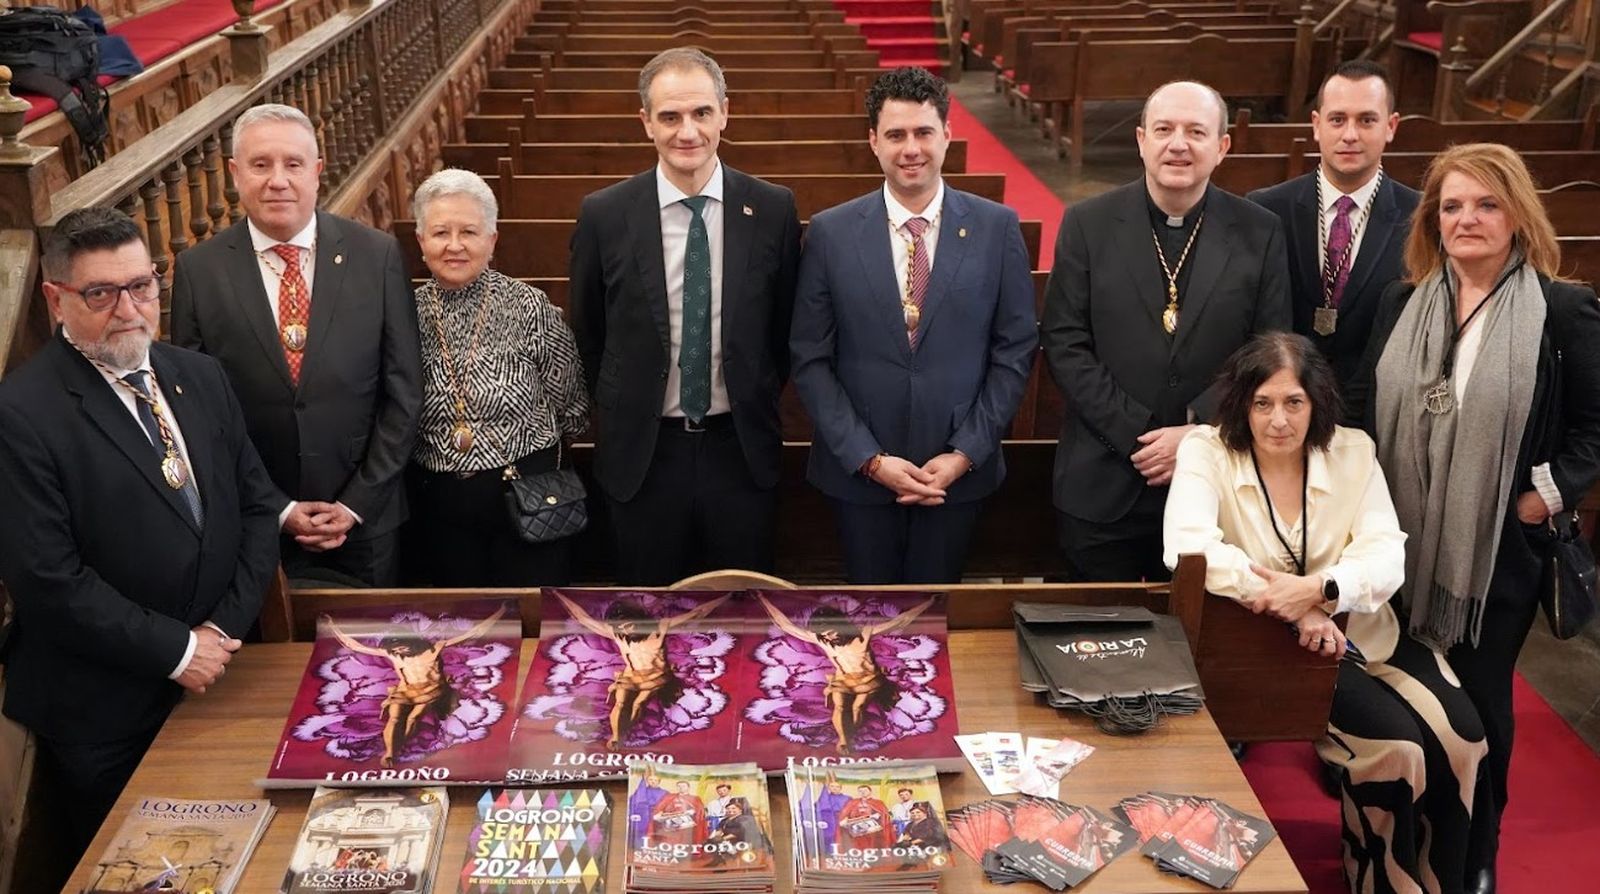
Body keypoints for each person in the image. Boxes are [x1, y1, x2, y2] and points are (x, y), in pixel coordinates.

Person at [1350, 143, 1600, 894]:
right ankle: (1406, 829)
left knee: (1480, 699)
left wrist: (1542, 497)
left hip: (1494, 552)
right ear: (1433, 218)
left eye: (1486, 204)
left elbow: (1595, 428)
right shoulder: (1403, 303)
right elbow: (1365, 405)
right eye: (1452, 206)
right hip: (1397, 541)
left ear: (1518, 214)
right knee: (1405, 690)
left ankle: (1476, 850)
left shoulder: (1561, 309)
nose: (1468, 219)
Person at [0, 208, 280, 877]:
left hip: (219, 678)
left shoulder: (199, 375)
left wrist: (218, 632)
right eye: (101, 293)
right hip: (107, 710)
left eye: (142, 285)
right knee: (148, 874)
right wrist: (178, 649)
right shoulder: (22, 413)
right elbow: (48, 581)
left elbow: (258, 509)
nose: (129, 309)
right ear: (56, 298)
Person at [1164, 331, 1489, 893]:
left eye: (1294, 402)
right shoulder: (1206, 449)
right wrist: (1296, 610)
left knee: (1465, 735)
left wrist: (1320, 590)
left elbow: (1387, 551)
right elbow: (1188, 548)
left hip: (1367, 630)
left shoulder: (1352, 450)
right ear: (1242, 403)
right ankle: (1383, 880)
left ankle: (1448, 881)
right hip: (1274, 646)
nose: (1278, 420)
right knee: (1397, 748)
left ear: (1316, 402)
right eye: (1262, 403)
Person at [790, 66, 1036, 584]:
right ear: (873, 141)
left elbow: (1014, 350)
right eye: (896, 135)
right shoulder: (832, 233)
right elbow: (810, 359)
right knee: (870, 620)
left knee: (940, 621)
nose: (911, 149)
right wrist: (868, 459)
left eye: (924, 132)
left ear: (947, 135)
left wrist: (965, 453)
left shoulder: (996, 227)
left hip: (956, 473)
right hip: (859, 474)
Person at [1041, 79, 1290, 582]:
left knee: (1200, 647)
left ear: (1222, 147)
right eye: (1164, 129)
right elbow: (1065, 343)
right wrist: (1139, 435)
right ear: (1141, 140)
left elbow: (1270, 349)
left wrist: (1197, 433)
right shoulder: (1087, 224)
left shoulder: (1259, 231)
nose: (1179, 144)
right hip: (1103, 479)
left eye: (1196, 131)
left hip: (1217, 484)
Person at [570, 48, 801, 585]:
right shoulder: (604, 214)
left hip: (739, 449)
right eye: (670, 117)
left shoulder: (771, 208)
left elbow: (784, 329)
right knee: (648, 621)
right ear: (646, 122)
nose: (687, 131)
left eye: (701, 113)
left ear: (725, 112)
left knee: (746, 617)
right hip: (645, 456)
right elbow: (589, 333)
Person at [170, 103, 422, 587]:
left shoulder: (377, 255)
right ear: (235, 174)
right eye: (261, 165)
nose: (278, 180)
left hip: (367, 520)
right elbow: (200, 411)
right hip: (260, 521)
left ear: (317, 172)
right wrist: (277, 506)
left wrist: (356, 503)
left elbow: (404, 394)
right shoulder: (200, 272)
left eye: (293, 164)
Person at [405, 168, 588, 586]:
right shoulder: (402, 313)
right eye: (440, 233)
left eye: (469, 231)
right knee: (459, 632)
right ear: (420, 242)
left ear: (492, 239)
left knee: (534, 630)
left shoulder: (528, 306)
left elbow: (573, 407)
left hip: (531, 502)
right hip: (438, 510)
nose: (454, 246)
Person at [1248, 60, 1420, 396]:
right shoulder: (1267, 209)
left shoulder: (1420, 216)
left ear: (1391, 126)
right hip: (1284, 401)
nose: (1350, 135)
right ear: (1316, 125)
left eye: (1367, 120)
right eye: (1337, 120)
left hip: (1377, 405)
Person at [324, 604, 507, 767]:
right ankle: (390, 752)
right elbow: (354, 645)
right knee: (394, 718)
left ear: (410, 642)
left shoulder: (433, 649)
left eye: (400, 647)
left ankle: (399, 746)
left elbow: (474, 633)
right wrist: (331, 625)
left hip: (430, 690)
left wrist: (501, 611)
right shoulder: (393, 655)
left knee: (413, 718)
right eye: (394, 649)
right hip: (405, 691)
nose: (398, 651)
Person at [753, 593, 935, 753]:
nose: (830, 637)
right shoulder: (824, 641)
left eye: (832, 632)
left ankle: (851, 734)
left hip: (869, 680)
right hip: (843, 681)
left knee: (857, 707)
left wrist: (930, 602)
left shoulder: (863, 635)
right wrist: (763, 599)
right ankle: (844, 740)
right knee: (840, 706)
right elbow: (785, 625)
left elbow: (900, 621)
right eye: (826, 635)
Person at [555, 591, 732, 748]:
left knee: (639, 703)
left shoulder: (659, 628)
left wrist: (728, 595)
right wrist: (556, 594)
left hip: (657, 677)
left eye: (629, 624)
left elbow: (697, 613)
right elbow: (582, 617)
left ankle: (624, 733)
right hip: (631, 676)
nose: (626, 629)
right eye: (622, 626)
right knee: (621, 702)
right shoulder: (616, 633)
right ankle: (618, 736)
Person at [836, 784, 895, 850]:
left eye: (865, 790)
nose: (863, 792)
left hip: (873, 831)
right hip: (856, 829)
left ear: (870, 791)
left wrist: (879, 816)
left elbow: (885, 815)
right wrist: (844, 820)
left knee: (873, 846)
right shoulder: (853, 802)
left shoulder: (878, 802)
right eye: (860, 791)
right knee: (858, 847)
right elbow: (844, 813)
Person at [651, 780, 708, 846]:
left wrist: (692, 812)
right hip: (671, 824)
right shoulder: (670, 797)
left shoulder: (695, 798)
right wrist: (659, 814)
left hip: (687, 825)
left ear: (688, 787)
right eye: (679, 786)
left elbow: (700, 812)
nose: (681, 788)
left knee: (686, 842)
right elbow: (659, 808)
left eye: (683, 786)